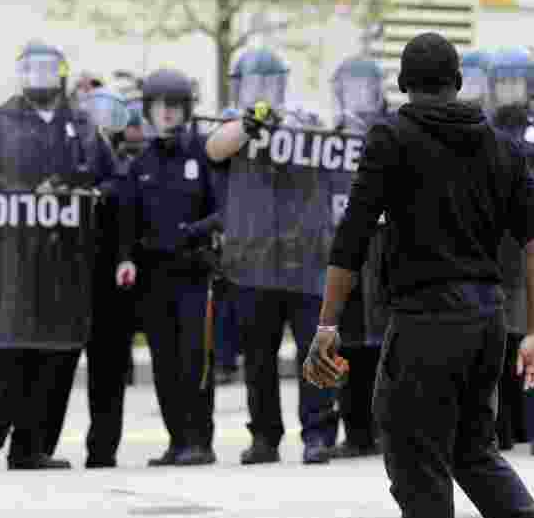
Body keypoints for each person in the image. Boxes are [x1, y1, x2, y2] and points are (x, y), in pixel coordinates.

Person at [302, 31, 534, 518]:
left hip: (427, 319)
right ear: (458, 83)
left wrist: (326, 322)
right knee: (471, 450)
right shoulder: (500, 148)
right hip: (488, 320)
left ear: (405, 83)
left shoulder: (391, 138)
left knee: (414, 454)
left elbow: (352, 235)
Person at [0, 40, 114, 471]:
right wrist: (26, 195)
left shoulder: (83, 125)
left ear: (62, 72)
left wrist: (87, 194)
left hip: (67, 263)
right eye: (34, 68)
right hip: (12, 260)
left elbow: (111, 181)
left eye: (51, 68)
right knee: (5, 351)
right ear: (21, 73)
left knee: (56, 355)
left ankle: (32, 447)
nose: (42, 76)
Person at [206, 48, 339, 465]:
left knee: (314, 353)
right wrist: (249, 124)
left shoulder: (300, 120)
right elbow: (215, 148)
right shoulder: (233, 122)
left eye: (269, 82)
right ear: (239, 86)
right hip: (253, 265)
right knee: (258, 360)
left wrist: (305, 124)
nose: (262, 91)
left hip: (305, 262)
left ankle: (317, 435)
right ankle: (265, 437)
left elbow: (334, 143)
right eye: (253, 83)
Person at [118, 68, 219, 466]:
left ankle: (200, 441)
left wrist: (191, 232)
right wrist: (125, 258)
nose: (167, 115)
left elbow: (222, 211)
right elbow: (129, 218)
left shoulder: (203, 155)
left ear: (186, 111)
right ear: (148, 111)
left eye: (174, 108)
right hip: (154, 276)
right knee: (163, 362)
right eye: (160, 108)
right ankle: (177, 440)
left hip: (193, 273)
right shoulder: (140, 161)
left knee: (194, 357)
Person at [485, 47, 534, 456]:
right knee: (495, 345)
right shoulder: (484, 128)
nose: (510, 89)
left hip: (530, 245)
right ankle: (499, 429)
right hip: (494, 250)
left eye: (517, 80)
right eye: (503, 81)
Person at [67, 88, 137, 468]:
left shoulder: (127, 169)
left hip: (112, 287)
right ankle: (38, 445)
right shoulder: (76, 163)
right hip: (78, 281)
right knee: (58, 370)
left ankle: (102, 449)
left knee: (107, 372)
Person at [329, 55, 389, 459]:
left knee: (389, 347)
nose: (357, 96)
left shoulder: (392, 132)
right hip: (350, 252)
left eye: (363, 86)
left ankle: (388, 431)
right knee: (348, 344)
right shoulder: (329, 139)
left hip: (389, 251)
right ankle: (355, 432)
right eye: (349, 87)